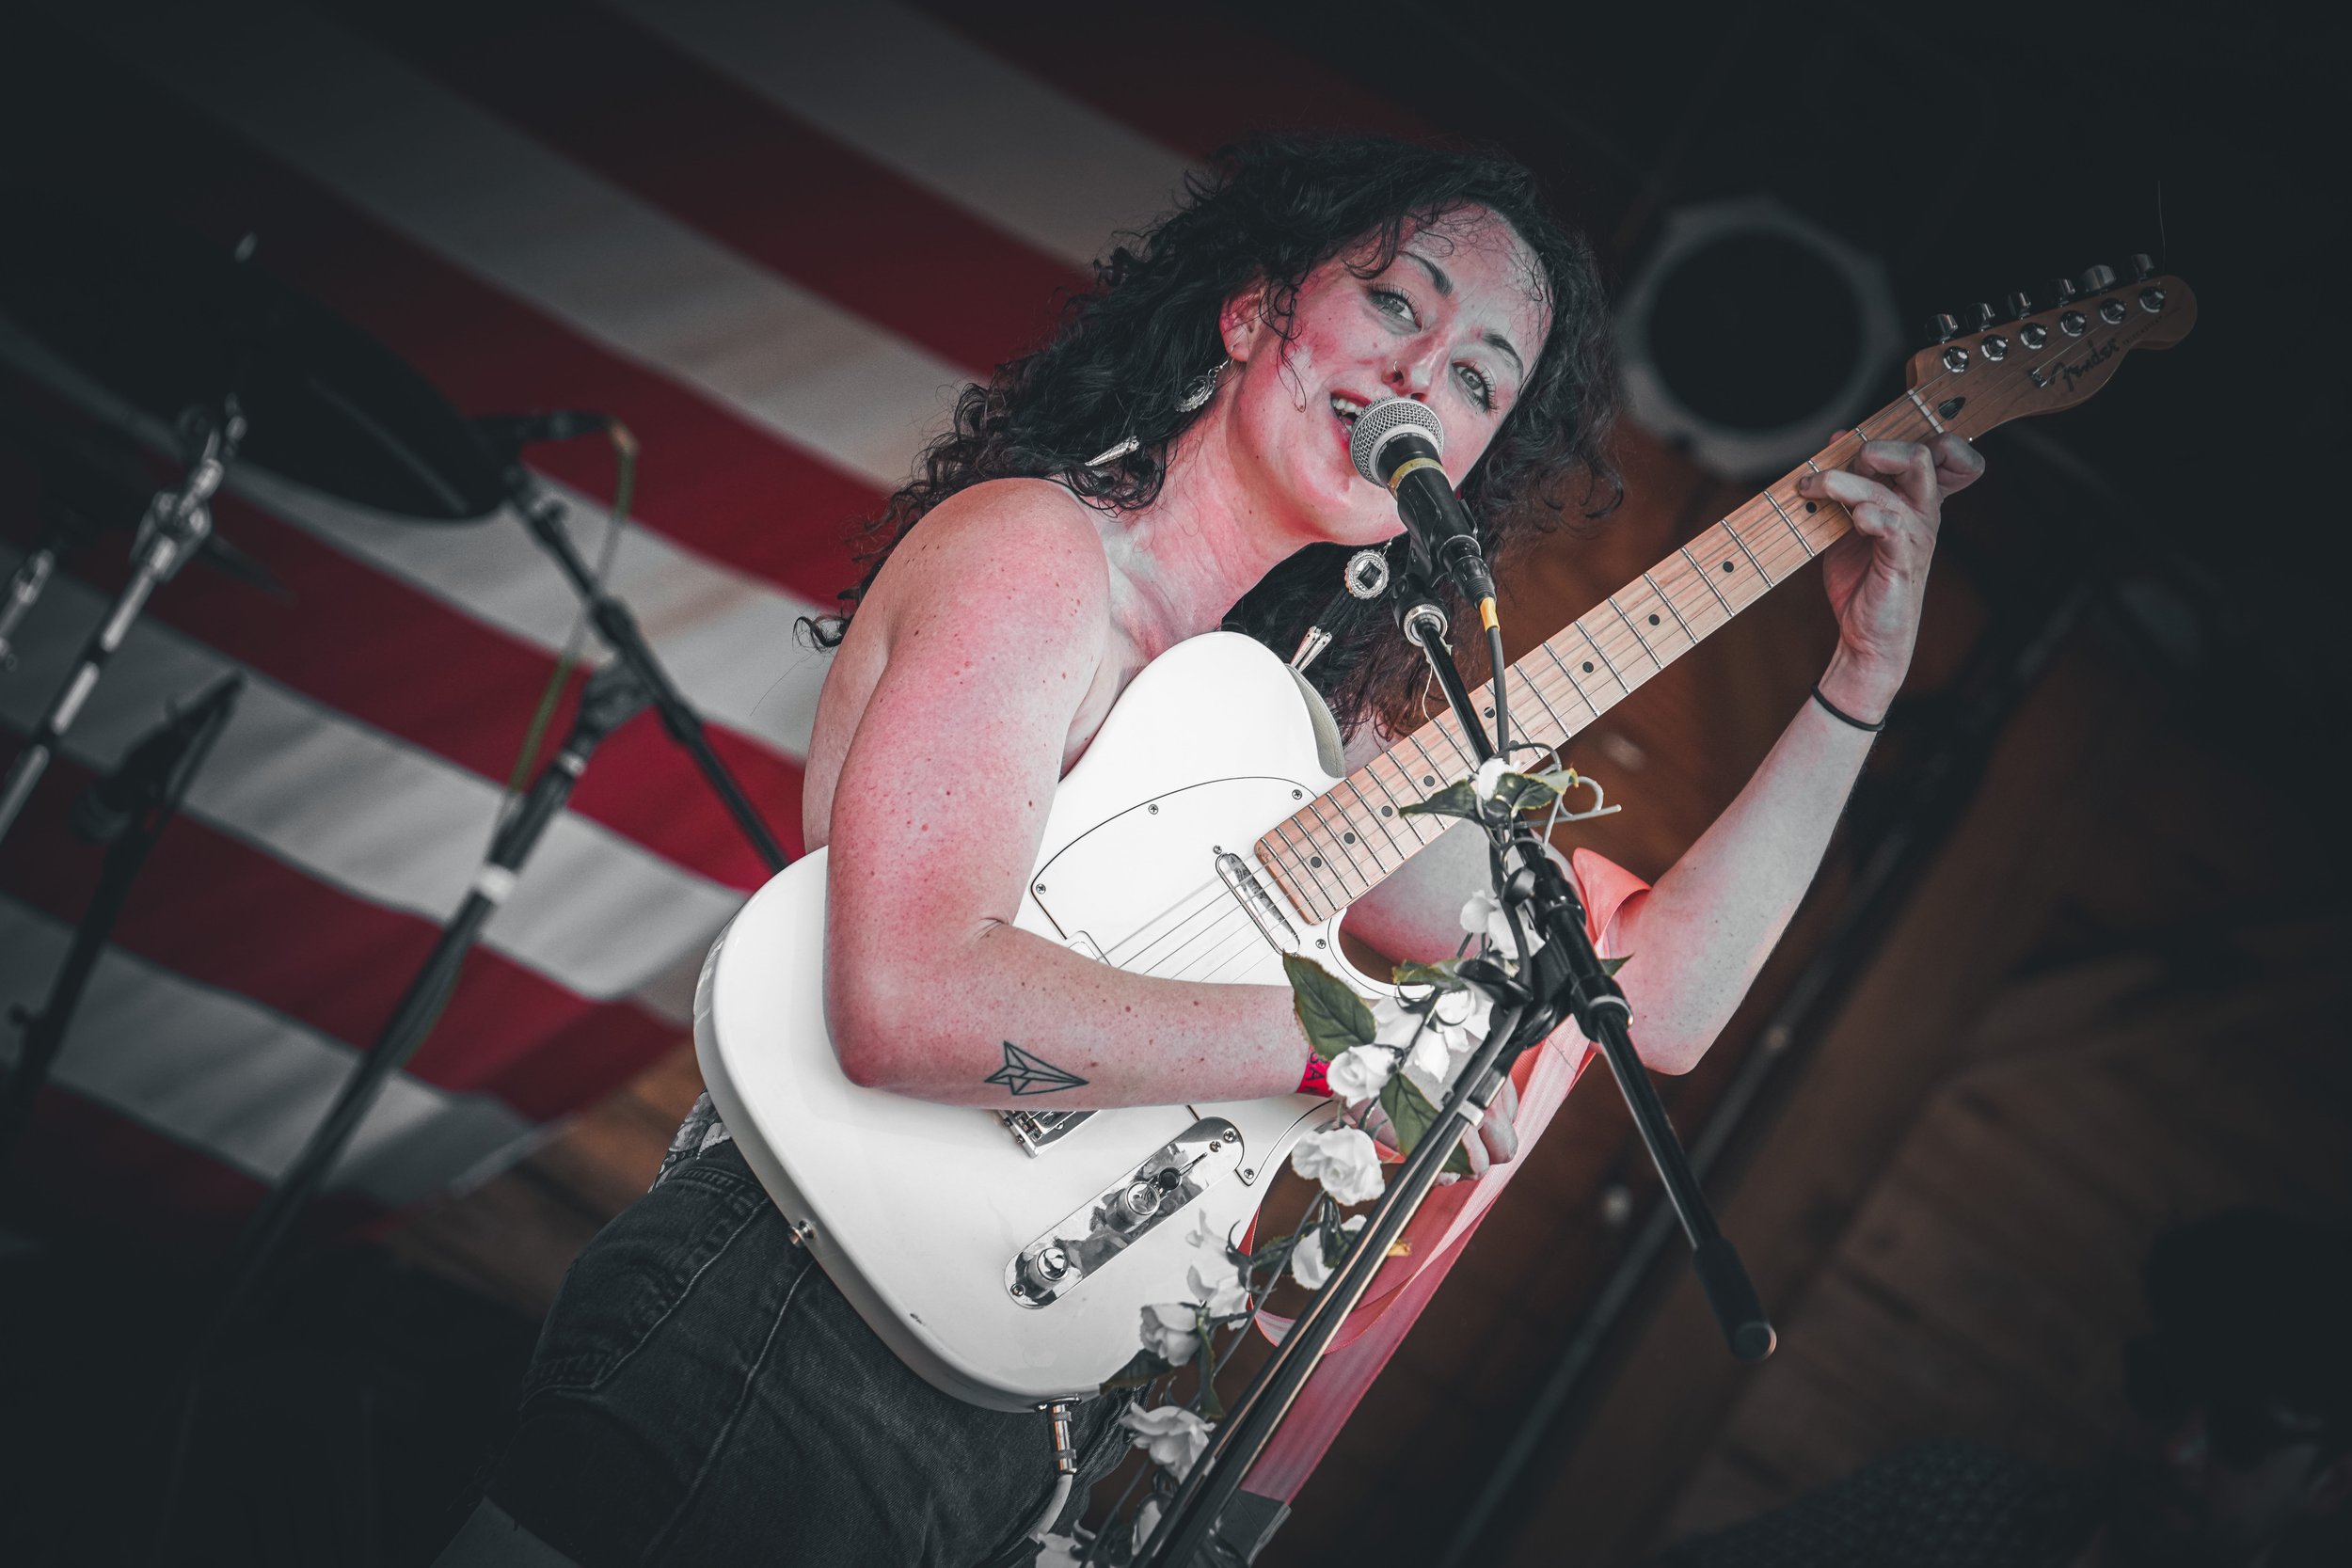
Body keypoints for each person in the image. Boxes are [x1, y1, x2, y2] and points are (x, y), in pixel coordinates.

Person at [433, 134, 1982, 1567]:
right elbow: (905, 1004)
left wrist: (1858, 684)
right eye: (1393, 301)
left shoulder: (1301, 735)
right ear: (1251, 313)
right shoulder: (1037, 556)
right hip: (786, 1318)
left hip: (1007, 1427)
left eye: (1476, 377)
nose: (1419, 374)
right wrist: (1342, 1040)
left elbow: (1659, 996)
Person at [1644, 1207, 2352, 1568]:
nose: (2177, 1451)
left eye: (2243, 1436)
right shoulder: (1953, 1502)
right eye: (2161, 1389)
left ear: (2330, 1484)